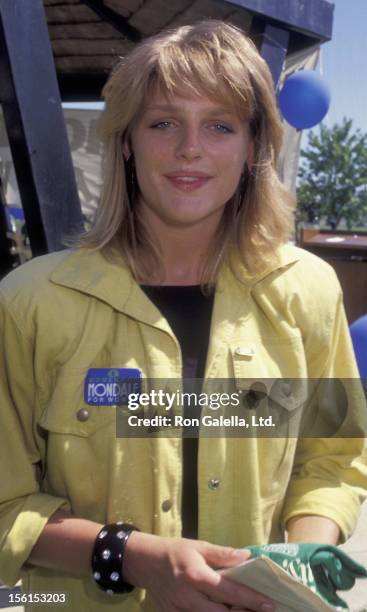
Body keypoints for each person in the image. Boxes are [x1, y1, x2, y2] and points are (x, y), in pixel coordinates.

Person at [0, 19, 366, 612]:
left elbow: (334, 461)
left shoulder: (311, 293)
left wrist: (296, 560)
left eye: (219, 125)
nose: (189, 148)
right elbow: (5, 505)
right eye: (163, 122)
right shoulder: (29, 304)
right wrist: (132, 555)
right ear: (127, 142)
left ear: (253, 148)